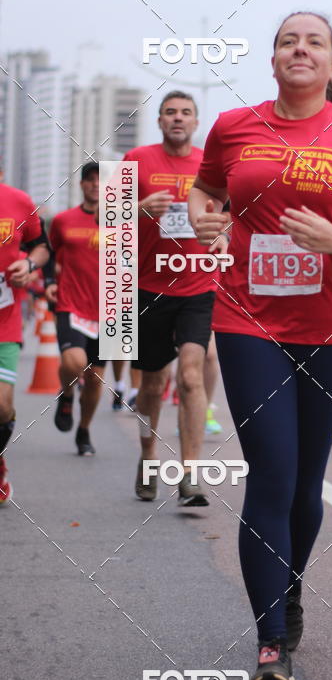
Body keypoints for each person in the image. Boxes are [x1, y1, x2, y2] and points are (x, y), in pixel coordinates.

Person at [188, 11, 332, 680]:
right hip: (248, 318)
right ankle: (271, 642)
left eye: (315, 42)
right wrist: (200, 211)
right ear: (273, 60)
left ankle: (290, 586)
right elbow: (205, 188)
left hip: (331, 326)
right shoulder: (234, 126)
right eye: (288, 41)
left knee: (307, 485)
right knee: (273, 474)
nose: (300, 49)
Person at [124, 91, 217, 505]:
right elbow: (102, 218)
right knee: (151, 383)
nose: (177, 119)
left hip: (198, 287)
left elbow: (235, 213)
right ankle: (147, 455)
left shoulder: (209, 164)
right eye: (170, 113)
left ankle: (190, 475)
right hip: (147, 287)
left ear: (196, 122)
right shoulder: (135, 159)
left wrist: (224, 229)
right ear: (159, 121)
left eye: (185, 113)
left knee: (192, 376)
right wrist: (139, 207)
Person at [47, 162, 105, 456]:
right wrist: (48, 281)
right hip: (71, 304)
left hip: (110, 309)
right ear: (82, 185)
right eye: (90, 180)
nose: (96, 184)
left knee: (96, 378)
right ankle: (67, 392)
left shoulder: (124, 223)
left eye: (101, 180)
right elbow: (48, 252)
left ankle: (84, 431)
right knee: (74, 362)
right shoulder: (63, 221)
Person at [0, 178, 50, 501]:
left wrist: (29, 264)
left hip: (5, 318)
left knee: (2, 408)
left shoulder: (18, 201)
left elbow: (42, 246)